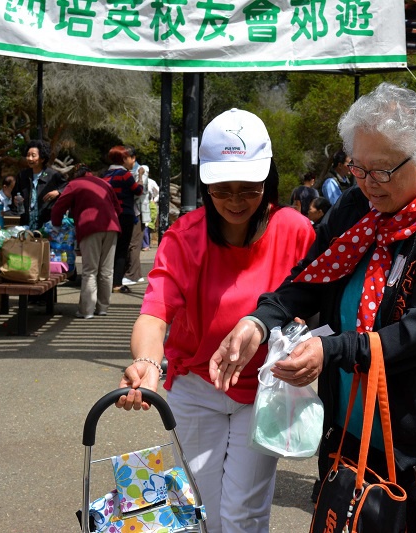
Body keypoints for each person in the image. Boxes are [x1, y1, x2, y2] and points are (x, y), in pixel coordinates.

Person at [211, 82, 416, 532]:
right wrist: (259, 322)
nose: (367, 182)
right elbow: (311, 277)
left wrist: (330, 351)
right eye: (357, 167)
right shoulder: (359, 207)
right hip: (348, 424)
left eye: (382, 170)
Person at [115, 108, 315, 533]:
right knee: (198, 507)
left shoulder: (295, 230)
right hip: (196, 387)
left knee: (243, 511)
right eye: (222, 190)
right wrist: (147, 363)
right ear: (206, 184)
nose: (236, 201)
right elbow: (154, 313)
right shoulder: (184, 237)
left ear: (268, 179)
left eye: (249, 189)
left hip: (263, 388)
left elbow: (317, 301)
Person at [50, 164, 121, 319]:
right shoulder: (104, 183)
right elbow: (118, 207)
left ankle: (87, 310)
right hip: (112, 227)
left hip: (90, 227)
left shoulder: (74, 184)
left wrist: (56, 225)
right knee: (107, 271)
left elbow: (59, 207)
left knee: (90, 270)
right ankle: (102, 307)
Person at [101, 145, 143, 294]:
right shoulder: (125, 175)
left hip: (109, 216)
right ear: (124, 159)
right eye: (131, 158)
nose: (133, 161)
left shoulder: (105, 175)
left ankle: (104, 281)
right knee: (121, 250)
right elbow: (138, 190)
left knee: (108, 249)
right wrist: (140, 177)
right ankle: (117, 284)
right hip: (124, 215)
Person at [16, 139, 66, 229]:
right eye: (28, 155)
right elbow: (16, 193)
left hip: (47, 223)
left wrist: (58, 192)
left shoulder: (53, 175)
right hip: (26, 222)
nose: (29, 158)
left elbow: (68, 187)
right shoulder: (22, 175)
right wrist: (15, 199)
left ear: (42, 158)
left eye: (33, 155)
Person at [123, 147, 145, 285]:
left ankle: (132, 275)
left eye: (125, 158)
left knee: (133, 244)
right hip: (131, 212)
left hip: (137, 212)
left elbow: (139, 192)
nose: (123, 161)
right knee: (131, 244)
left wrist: (140, 177)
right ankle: (135, 274)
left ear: (133, 158)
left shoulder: (141, 170)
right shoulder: (127, 172)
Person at [136, 165, 159, 251]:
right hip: (138, 205)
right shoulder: (136, 180)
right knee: (141, 225)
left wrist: (154, 200)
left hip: (149, 205)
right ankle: (144, 244)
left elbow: (158, 192)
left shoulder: (151, 182)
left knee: (147, 225)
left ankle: (145, 244)